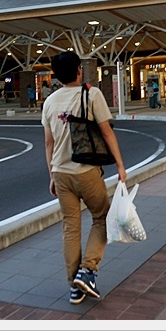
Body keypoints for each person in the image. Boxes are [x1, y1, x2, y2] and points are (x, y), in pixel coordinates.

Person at [41, 51, 127, 304]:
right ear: (79, 70)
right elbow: (107, 133)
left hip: (61, 172)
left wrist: (52, 176)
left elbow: (48, 143)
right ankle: (88, 270)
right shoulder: (92, 94)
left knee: (70, 226)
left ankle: (74, 287)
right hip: (86, 171)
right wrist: (120, 166)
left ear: (56, 76)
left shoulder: (49, 102)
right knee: (103, 217)